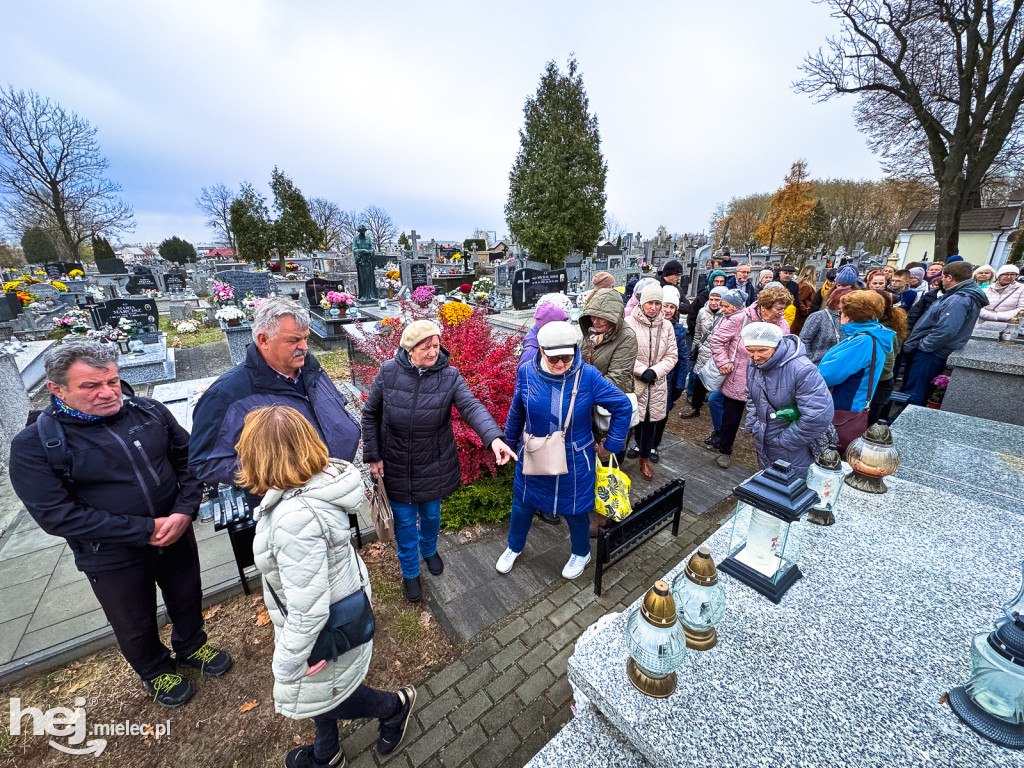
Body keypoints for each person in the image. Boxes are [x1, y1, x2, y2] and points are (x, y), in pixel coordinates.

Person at [10, 342, 230, 709]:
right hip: (110, 553)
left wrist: (183, 510)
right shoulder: (34, 446)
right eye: (90, 386)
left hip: (176, 532)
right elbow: (56, 515)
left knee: (187, 595)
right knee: (134, 618)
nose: (107, 392)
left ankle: (192, 645)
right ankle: (155, 670)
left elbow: (189, 459)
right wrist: (144, 529)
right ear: (56, 389)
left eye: (112, 380)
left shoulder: (148, 411)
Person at [240, 406, 416, 768]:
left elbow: (309, 608)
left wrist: (286, 665)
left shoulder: (295, 518)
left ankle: (394, 708)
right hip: (337, 606)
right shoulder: (315, 484)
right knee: (323, 689)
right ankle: (327, 752)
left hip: (327, 625)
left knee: (324, 691)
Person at [361, 321, 515, 602]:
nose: (433, 351)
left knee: (431, 516)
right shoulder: (388, 372)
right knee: (405, 524)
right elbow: (370, 414)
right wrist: (373, 456)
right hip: (395, 463)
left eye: (435, 345)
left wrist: (494, 438)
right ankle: (410, 572)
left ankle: (429, 550)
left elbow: (471, 407)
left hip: (433, 463)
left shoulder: (449, 376)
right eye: (425, 347)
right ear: (410, 349)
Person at [190, 298, 361, 506]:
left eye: (305, 338)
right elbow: (205, 463)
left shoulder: (310, 369)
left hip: (335, 489)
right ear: (263, 340)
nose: (305, 347)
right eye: (293, 340)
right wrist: (275, 473)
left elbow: (334, 406)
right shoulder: (227, 395)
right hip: (288, 508)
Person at [498, 321, 632, 579]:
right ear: (541, 351)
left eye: (567, 357)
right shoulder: (526, 372)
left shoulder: (589, 376)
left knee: (576, 509)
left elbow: (622, 406)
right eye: (554, 358)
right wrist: (509, 443)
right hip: (535, 452)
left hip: (575, 458)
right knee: (523, 503)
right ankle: (514, 547)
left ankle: (581, 552)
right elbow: (517, 411)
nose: (561, 364)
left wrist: (610, 446)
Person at [709, 285, 792, 468]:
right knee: (731, 418)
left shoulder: (782, 325)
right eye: (779, 308)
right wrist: (722, 362)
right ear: (765, 306)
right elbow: (717, 340)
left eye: (784, 308)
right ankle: (725, 449)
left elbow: (785, 349)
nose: (782, 313)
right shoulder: (741, 319)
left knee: (768, 421)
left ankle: (767, 457)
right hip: (739, 377)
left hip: (768, 381)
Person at [580, 287, 638, 534]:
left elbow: (616, 377)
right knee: (592, 458)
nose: (596, 321)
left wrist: (580, 391)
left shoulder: (627, 338)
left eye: (602, 317)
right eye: (592, 316)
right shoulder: (590, 334)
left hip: (611, 408)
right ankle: (591, 503)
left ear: (615, 316)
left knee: (611, 459)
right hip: (589, 405)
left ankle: (607, 515)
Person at [742, 323, 834, 474]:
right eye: (750, 350)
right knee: (768, 482)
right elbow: (751, 394)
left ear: (776, 346)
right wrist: (754, 422)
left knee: (789, 487)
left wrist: (784, 441)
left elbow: (819, 414)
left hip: (793, 445)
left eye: (762, 350)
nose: (755, 356)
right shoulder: (753, 363)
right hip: (765, 439)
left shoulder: (802, 369)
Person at [902, 261, 989, 406]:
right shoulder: (959, 295)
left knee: (916, 391)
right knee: (917, 389)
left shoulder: (959, 299)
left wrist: (924, 345)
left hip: (931, 353)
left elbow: (946, 330)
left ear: (949, 277)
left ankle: (903, 421)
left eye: (942, 276)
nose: (941, 279)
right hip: (931, 351)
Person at [818, 291, 895, 451]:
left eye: (842, 312)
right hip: (852, 403)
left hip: (843, 405)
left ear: (850, 316)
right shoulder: (873, 332)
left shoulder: (862, 342)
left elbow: (828, 376)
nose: (840, 316)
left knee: (828, 452)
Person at [624, 283, 678, 480]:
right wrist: (641, 370)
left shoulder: (667, 326)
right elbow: (624, 353)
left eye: (657, 303)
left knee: (650, 426)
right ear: (642, 303)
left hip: (656, 384)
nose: (654, 307)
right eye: (649, 303)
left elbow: (672, 355)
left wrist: (654, 372)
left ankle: (644, 459)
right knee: (627, 425)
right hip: (634, 383)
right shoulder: (629, 322)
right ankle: (619, 460)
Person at [679, 287, 734, 447]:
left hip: (718, 355)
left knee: (719, 385)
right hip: (703, 352)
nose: (715, 303)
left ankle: (719, 412)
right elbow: (697, 333)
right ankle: (695, 407)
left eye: (718, 300)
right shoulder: (703, 313)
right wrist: (695, 349)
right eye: (712, 299)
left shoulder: (727, 316)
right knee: (699, 380)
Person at [650, 285, 689, 462]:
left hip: (668, 379)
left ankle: (653, 445)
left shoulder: (678, 330)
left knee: (661, 415)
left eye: (672, 307)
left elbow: (682, 359)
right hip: (648, 377)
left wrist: (679, 384)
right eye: (664, 305)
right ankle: (639, 443)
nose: (667, 310)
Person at [867, 290, 909, 425]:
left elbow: (886, 365)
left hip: (878, 381)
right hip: (878, 380)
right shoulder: (879, 326)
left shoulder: (883, 330)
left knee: (869, 417)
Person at [799, 284, 850, 365]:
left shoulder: (851, 318)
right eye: (846, 300)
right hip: (816, 366)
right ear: (836, 300)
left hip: (840, 367)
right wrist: (810, 361)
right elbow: (803, 341)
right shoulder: (818, 316)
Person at [519, 297, 569, 367]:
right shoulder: (531, 354)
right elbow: (524, 376)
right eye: (562, 322)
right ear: (549, 326)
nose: (566, 326)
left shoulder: (552, 340)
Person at [688, 269, 727, 334]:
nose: (719, 284)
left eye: (722, 281)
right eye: (716, 281)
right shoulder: (702, 298)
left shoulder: (727, 297)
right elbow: (692, 318)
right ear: (711, 281)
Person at [353, 225, 378, 301]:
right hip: (361, 262)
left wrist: (369, 251)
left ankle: (371, 295)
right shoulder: (356, 239)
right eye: (361, 231)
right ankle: (364, 295)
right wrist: (363, 250)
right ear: (359, 231)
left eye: (364, 231)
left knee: (370, 278)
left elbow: (372, 249)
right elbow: (354, 249)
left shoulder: (368, 239)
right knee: (363, 279)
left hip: (368, 261)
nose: (363, 232)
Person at [791, 265, 817, 335]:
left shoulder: (801, 284)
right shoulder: (806, 286)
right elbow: (799, 299)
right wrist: (806, 311)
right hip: (801, 317)